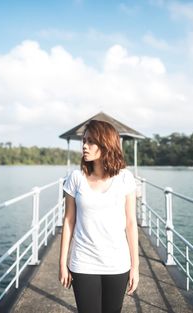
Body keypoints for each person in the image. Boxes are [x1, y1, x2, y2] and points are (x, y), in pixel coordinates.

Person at [59, 119, 139, 313]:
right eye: (83, 141)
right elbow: (69, 220)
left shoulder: (125, 178)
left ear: (106, 144)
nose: (84, 146)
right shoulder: (76, 178)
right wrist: (62, 263)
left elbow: (130, 223)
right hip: (83, 262)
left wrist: (135, 266)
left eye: (90, 142)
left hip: (117, 263)